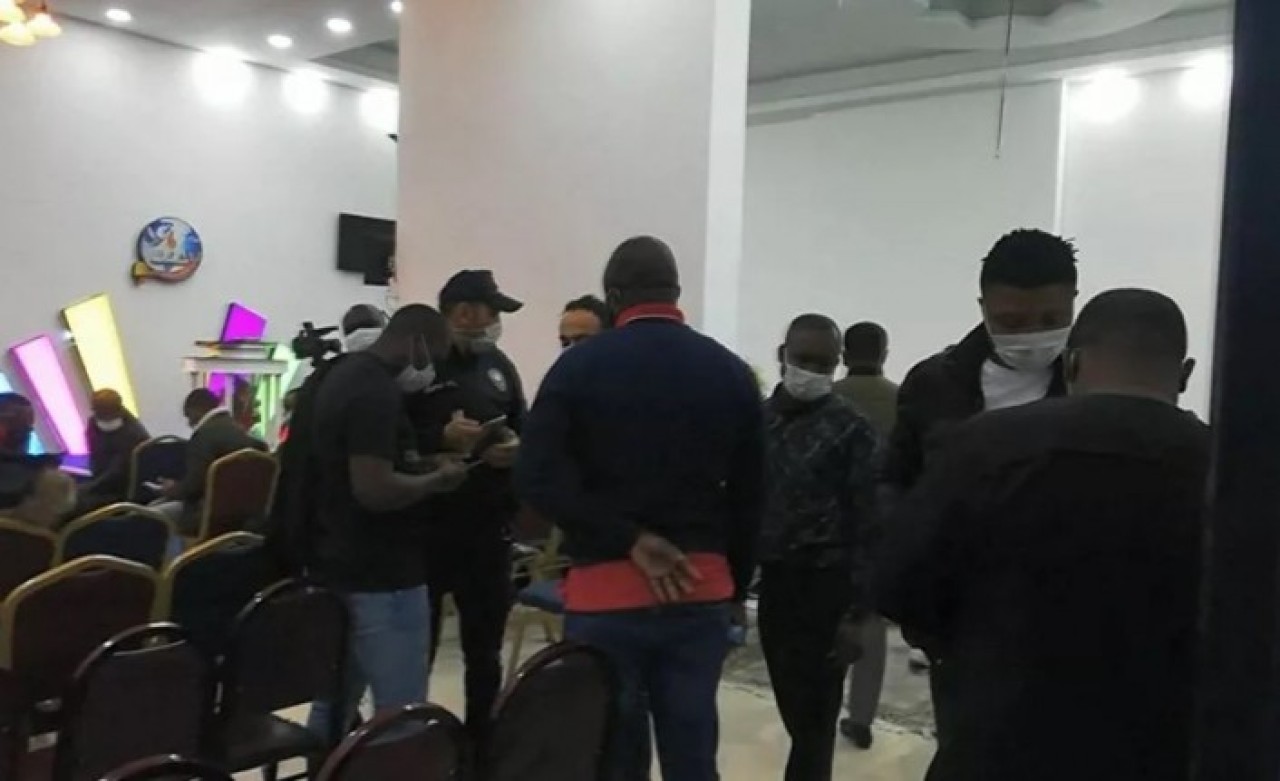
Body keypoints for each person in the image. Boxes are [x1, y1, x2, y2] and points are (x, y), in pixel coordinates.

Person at [877, 289, 1206, 781]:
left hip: (1001, 746)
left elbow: (900, 584)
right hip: (1168, 753)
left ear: (1071, 364)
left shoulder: (982, 447)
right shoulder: (1232, 472)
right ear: (1185, 373)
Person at [517, 236, 764, 781]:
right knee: (693, 752)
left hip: (605, 596)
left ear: (612, 297)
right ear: (676, 292)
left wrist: (628, 539)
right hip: (700, 588)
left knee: (613, 753)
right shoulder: (729, 372)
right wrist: (735, 589)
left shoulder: (577, 369)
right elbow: (752, 495)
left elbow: (535, 478)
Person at [881, 229, 1078, 717]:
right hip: (963, 625)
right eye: (1011, 322)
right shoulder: (934, 384)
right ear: (983, 307)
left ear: (1075, 302)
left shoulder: (1093, 385)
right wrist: (912, 602)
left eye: (1051, 320)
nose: (1032, 336)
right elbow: (896, 486)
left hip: (1070, 621)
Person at [307, 304, 468, 739]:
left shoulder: (341, 377)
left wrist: (424, 463)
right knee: (401, 715)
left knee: (335, 702)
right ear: (417, 343)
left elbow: (360, 465)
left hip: (340, 561)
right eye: (435, 355)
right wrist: (438, 480)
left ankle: (323, 765)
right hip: (384, 575)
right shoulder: (375, 393)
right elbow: (373, 489)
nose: (433, 370)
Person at [404, 270, 526, 739]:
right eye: (490, 312)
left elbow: (523, 426)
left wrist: (514, 449)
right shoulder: (418, 367)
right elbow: (388, 441)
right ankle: (413, 743)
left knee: (484, 651)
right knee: (419, 651)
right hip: (428, 529)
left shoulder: (498, 365)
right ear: (462, 312)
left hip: (487, 529)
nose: (494, 323)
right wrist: (440, 437)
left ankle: (480, 747)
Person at [758, 314, 878, 781]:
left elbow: (870, 522)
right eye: (803, 359)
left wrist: (858, 614)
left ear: (838, 364)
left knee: (816, 721)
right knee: (795, 710)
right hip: (775, 584)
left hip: (829, 587)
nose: (811, 371)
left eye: (823, 363)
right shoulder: (758, 422)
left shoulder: (852, 429)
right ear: (782, 356)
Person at [832, 321, 898, 750]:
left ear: (842, 354)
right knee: (872, 624)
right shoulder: (901, 400)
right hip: (882, 529)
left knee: (828, 620)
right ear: (884, 354)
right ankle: (861, 718)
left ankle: (822, 706)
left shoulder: (829, 399)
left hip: (830, 530)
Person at [153, 388, 266, 535]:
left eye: (189, 416)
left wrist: (171, 489)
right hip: (246, 520)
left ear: (196, 410)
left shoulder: (202, 437)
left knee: (148, 515)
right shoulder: (245, 437)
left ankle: (177, 551)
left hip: (207, 518)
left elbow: (193, 487)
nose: (189, 423)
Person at [79, 389, 151, 510]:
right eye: (97, 412)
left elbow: (117, 473)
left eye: (104, 412)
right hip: (101, 482)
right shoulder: (93, 424)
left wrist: (87, 488)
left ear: (118, 410)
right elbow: (94, 456)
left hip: (124, 491)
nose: (99, 416)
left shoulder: (134, 434)